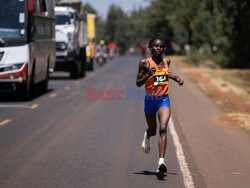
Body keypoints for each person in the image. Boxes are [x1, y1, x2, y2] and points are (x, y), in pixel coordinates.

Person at [136, 37, 184, 174]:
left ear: (164, 48)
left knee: (163, 129)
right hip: (150, 100)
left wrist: (176, 78)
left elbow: (166, 73)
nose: (158, 48)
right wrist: (147, 76)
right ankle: (147, 135)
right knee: (153, 129)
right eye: (156, 46)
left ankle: (161, 162)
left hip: (164, 99)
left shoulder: (166, 61)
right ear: (150, 48)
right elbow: (138, 83)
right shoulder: (144, 63)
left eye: (161, 46)